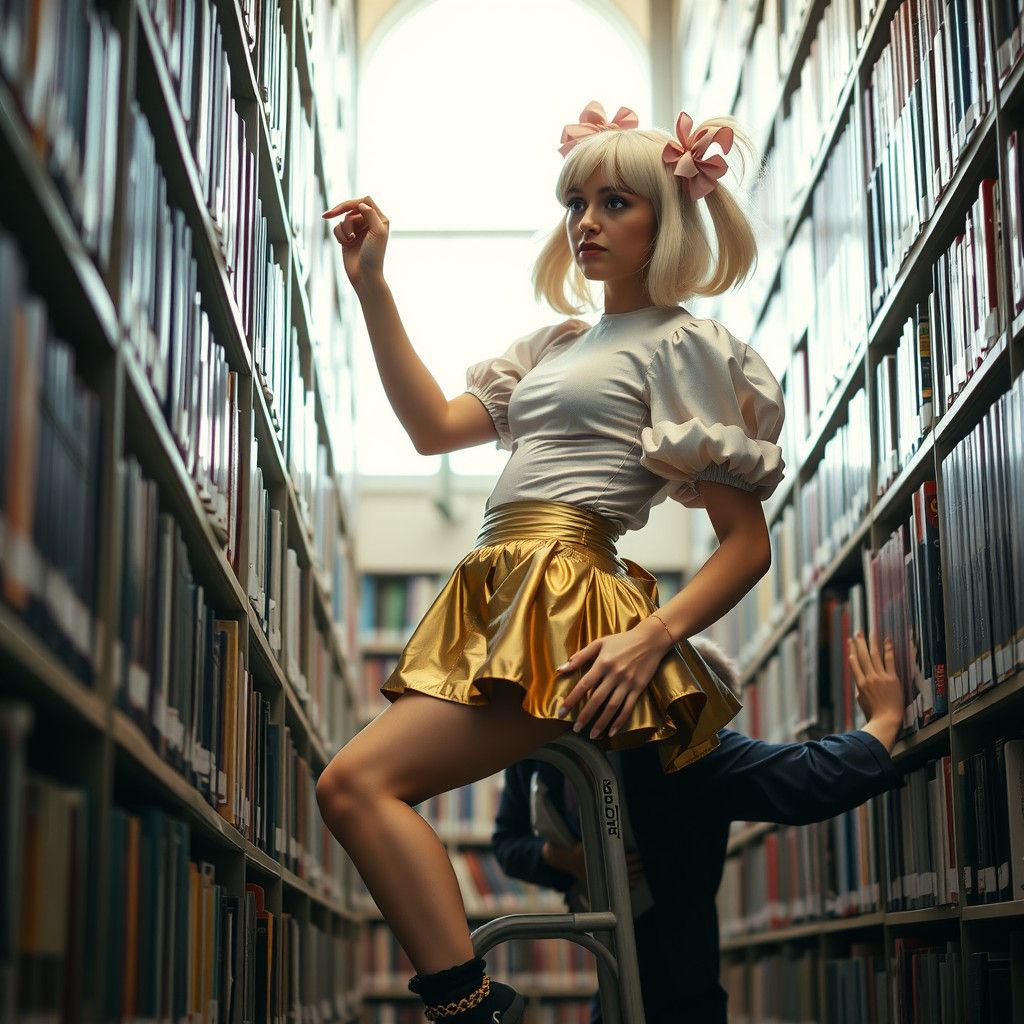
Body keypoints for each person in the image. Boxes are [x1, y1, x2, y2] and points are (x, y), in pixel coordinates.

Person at [315, 100, 786, 1024]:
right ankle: (476, 1002)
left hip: (569, 606)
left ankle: (476, 1007)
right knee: (355, 786)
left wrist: (651, 639)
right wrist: (373, 286)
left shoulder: (682, 344)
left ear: (669, 218)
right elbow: (429, 430)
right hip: (499, 590)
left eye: (616, 203)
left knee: (355, 783)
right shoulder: (558, 343)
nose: (586, 223)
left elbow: (748, 543)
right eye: (576, 203)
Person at [493, 630, 904, 1023]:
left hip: (679, 967)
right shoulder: (540, 739)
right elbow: (508, 843)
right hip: (610, 955)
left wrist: (884, 721)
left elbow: (802, 777)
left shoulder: (676, 739)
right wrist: (563, 859)